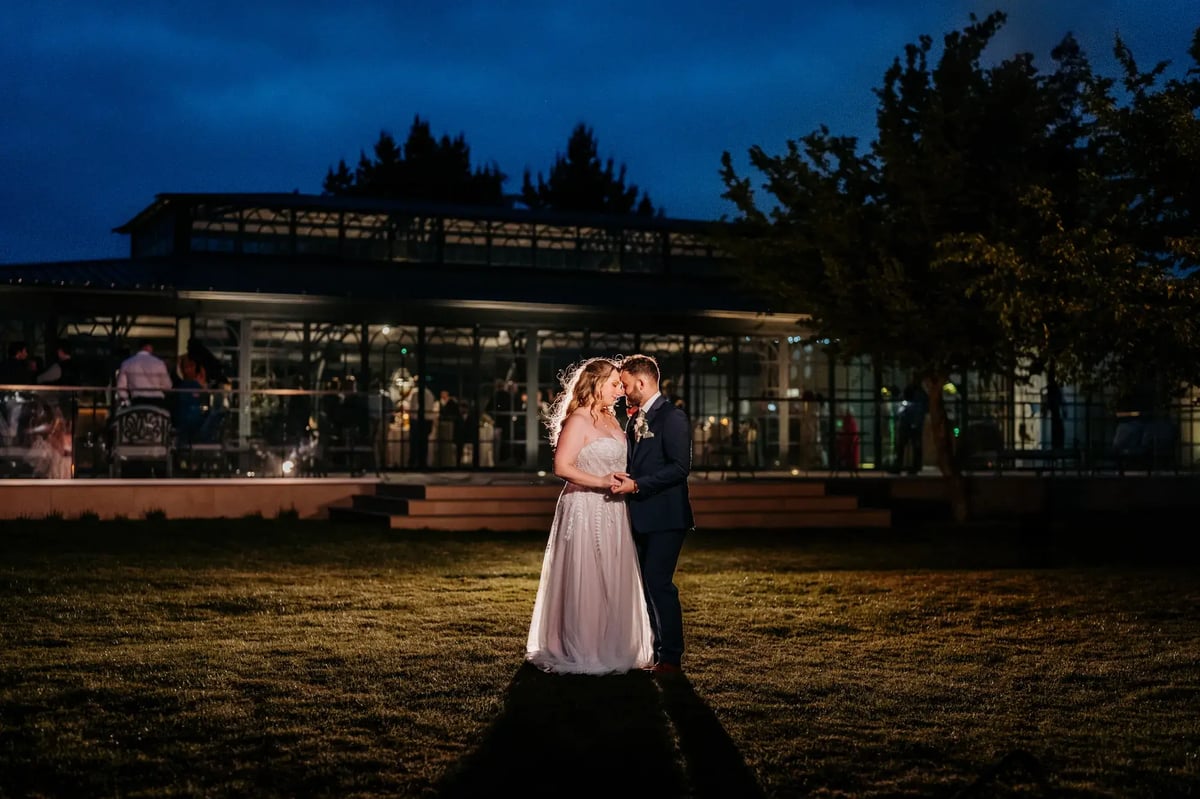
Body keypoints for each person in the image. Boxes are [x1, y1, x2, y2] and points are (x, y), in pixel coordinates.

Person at [526, 357, 653, 675]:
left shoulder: (613, 420)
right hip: (584, 506)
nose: (620, 392)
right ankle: (581, 644)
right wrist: (601, 482)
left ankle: (612, 642)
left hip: (613, 510)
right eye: (615, 385)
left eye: (621, 386)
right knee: (587, 573)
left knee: (611, 573)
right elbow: (562, 467)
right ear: (596, 384)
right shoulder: (579, 419)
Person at [611, 354, 695, 676]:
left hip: (667, 516)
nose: (624, 390)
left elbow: (679, 468)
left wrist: (637, 485)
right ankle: (656, 651)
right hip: (641, 515)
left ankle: (671, 657)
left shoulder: (672, 417)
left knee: (659, 584)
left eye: (627, 384)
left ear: (642, 382)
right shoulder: (634, 420)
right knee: (646, 586)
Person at [116, 340, 173, 409]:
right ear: (149, 347)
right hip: (157, 402)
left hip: (137, 401)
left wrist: (127, 402)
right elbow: (167, 386)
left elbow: (121, 388)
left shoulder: (127, 363)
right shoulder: (159, 363)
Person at [893, 378, 928, 475]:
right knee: (909, 445)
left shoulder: (918, 394)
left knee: (905, 445)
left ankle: (906, 466)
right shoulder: (919, 393)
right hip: (911, 422)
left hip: (910, 422)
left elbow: (921, 408)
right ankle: (911, 466)